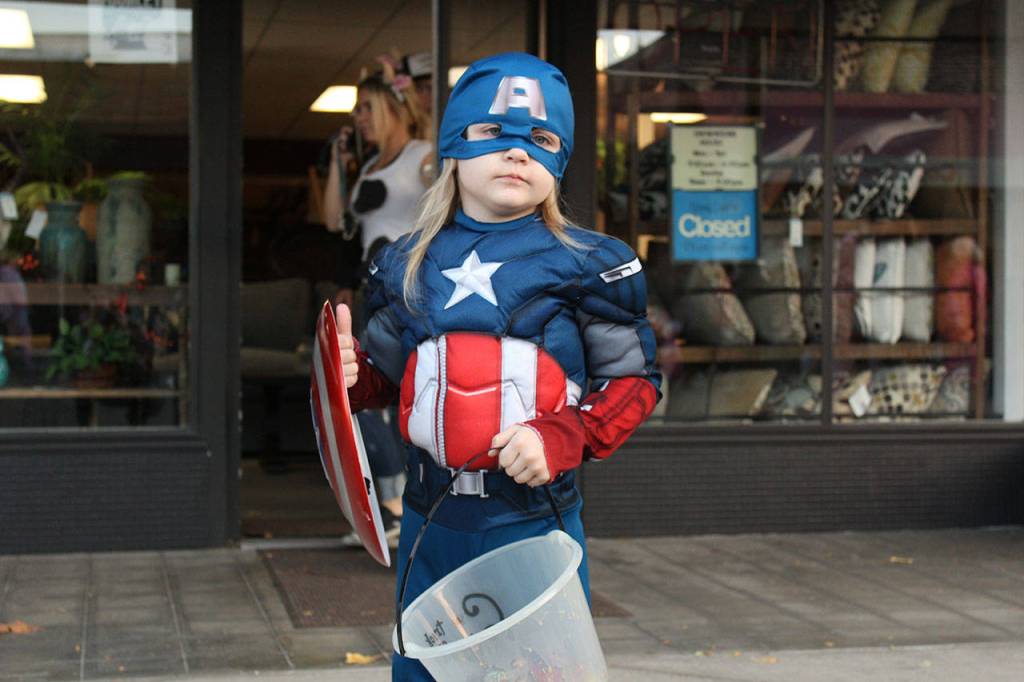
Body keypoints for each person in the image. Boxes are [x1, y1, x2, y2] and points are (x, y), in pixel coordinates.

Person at [334, 52, 661, 680]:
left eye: (540, 140)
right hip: (431, 525)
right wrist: (350, 375)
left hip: (534, 526)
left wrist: (565, 434)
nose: (518, 154)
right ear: (455, 145)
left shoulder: (589, 262)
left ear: (557, 160)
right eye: (493, 133)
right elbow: (391, 378)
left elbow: (633, 381)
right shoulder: (406, 262)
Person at [322, 56, 433, 546]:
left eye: (367, 107)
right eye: (355, 111)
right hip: (372, 290)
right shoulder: (369, 165)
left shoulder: (424, 155)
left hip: (409, 291)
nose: (360, 118)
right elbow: (333, 220)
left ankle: (397, 506)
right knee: (362, 396)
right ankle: (394, 507)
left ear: (393, 105)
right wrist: (334, 162)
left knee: (388, 395)